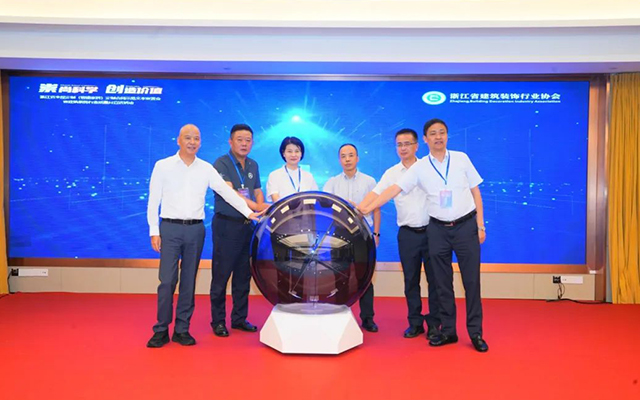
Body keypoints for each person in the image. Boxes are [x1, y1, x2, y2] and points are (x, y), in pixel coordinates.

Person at [358, 119, 488, 352]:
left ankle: (476, 333)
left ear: (446, 136)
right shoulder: (419, 168)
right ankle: (448, 331)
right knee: (442, 283)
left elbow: (475, 192)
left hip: (464, 227)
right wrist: (366, 208)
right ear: (426, 139)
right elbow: (392, 190)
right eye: (433, 133)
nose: (438, 137)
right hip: (437, 230)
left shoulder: (461, 159)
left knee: (471, 282)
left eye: (442, 132)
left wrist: (480, 225)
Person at [146, 124, 259, 348]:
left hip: (196, 230)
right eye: (188, 138)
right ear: (178, 140)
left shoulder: (206, 168)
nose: (192, 142)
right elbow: (153, 200)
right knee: (167, 281)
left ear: (200, 142)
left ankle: (182, 329)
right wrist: (154, 230)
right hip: (170, 228)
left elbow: (227, 192)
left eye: (196, 138)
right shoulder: (163, 166)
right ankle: (161, 329)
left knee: (189, 281)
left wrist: (248, 213)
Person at [359, 129, 442, 339]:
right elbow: (376, 193)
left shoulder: (428, 167)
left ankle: (434, 323)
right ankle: (415, 322)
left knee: (435, 280)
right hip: (407, 234)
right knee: (410, 280)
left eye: (407, 144)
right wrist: (359, 209)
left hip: (433, 231)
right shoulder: (392, 173)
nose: (403, 148)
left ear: (417, 146)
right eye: (399, 145)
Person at [210, 124, 269, 338]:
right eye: (240, 139)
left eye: (248, 140)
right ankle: (218, 321)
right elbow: (230, 193)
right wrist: (256, 207)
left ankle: (239, 318)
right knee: (221, 275)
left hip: (247, 226)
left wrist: (261, 205)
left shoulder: (253, 164)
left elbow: (257, 190)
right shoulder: (221, 163)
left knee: (244, 275)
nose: (244, 144)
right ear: (231, 141)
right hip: (227, 225)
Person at [323, 143, 380, 332]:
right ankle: (339, 313)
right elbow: (325, 207)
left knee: (365, 277)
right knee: (340, 276)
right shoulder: (332, 183)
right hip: (339, 235)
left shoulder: (369, 181)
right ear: (339, 160)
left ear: (357, 158)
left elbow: (376, 209)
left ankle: (368, 318)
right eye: (343, 156)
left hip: (363, 234)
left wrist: (376, 233)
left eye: (351, 155)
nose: (347, 159)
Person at [266, 136, 318, 202]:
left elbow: (315, 198)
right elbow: (276, 200)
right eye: (289, 151)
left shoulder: (309, 176)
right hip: (283, 208)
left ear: (301, 154)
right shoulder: (274, 175)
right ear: (283, 153)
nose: (293, 155)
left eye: (297, 151)